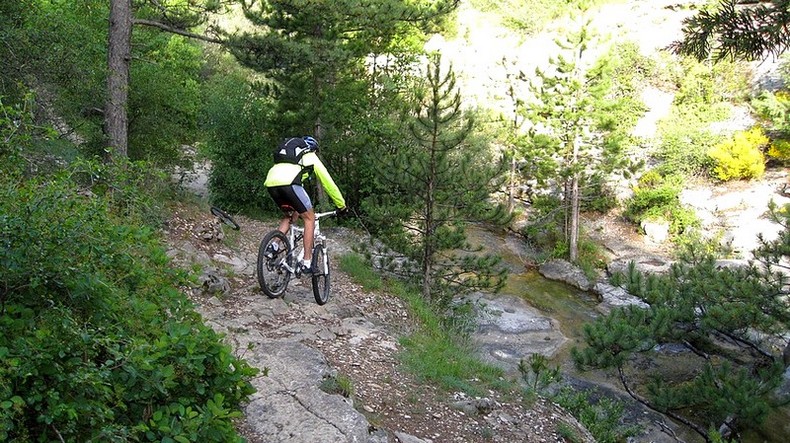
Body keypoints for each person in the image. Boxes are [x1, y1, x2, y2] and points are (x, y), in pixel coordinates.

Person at [264, 136, 347, 273]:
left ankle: (273, 246)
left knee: (290, 215)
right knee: (309, 218)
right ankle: (307, 262)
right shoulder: (310, 156)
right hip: (289, 184)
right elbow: (327, 182)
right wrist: (341, 205)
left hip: (271, 184)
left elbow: (297, 182)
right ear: (313, 149)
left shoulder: (290, 159)